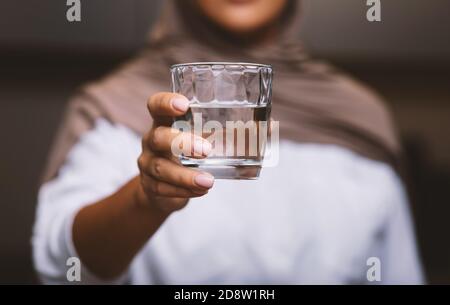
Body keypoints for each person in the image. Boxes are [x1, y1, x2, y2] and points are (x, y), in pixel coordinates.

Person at [32, 0, 424, 284]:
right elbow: (66, 265)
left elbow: (396, 272)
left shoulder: (359, 116)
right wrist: (144, 200)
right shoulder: (112, 106)